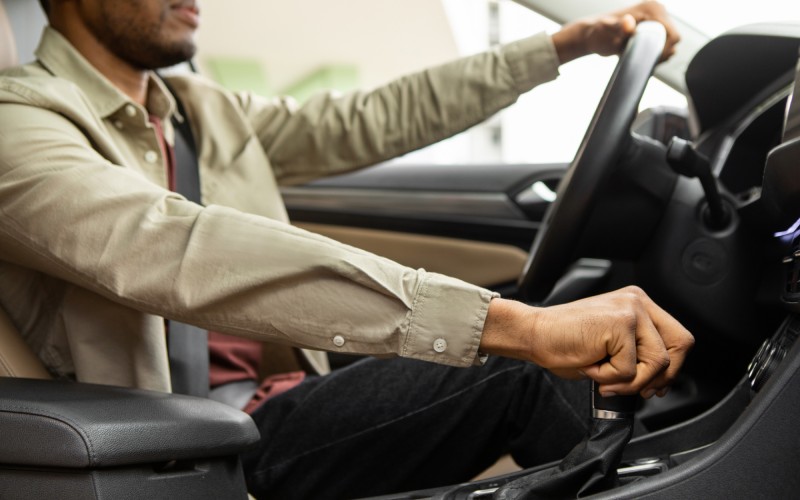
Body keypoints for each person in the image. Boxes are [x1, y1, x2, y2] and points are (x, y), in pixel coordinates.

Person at [0, 0, 691, 498]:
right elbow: (172, 245)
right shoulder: (18, 122)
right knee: (528, 367)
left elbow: (372, 118)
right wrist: (519, 326)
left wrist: (559, 49)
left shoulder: (196, 111)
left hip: (270, 400)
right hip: (174, 449)